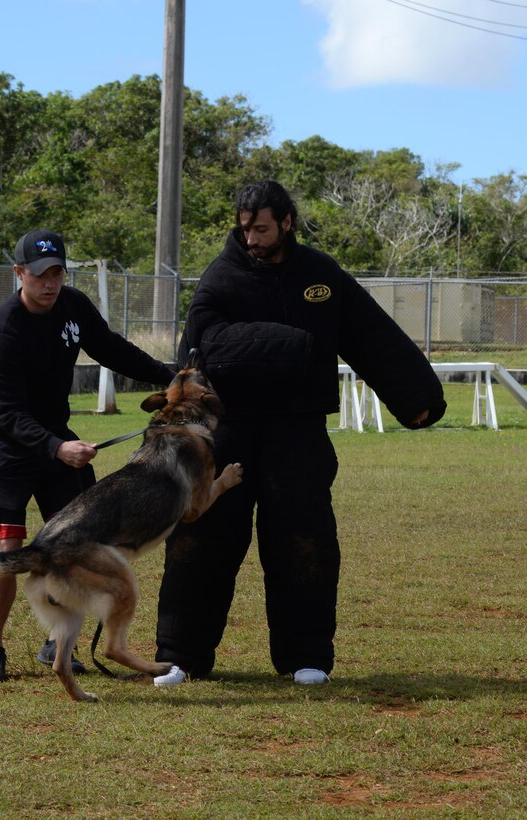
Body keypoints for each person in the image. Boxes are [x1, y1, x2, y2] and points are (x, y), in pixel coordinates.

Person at [153, 180, 446, 688]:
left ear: (287, 221)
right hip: (231, 430)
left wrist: (416, 397)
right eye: (245, 228)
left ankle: (306, 656)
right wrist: (297, 347)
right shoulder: (220, 278)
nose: (251, 238)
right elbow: (202, 346)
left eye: (262, 228)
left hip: (299, 432)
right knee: (201, 539)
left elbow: (370, 335)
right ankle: (180, 655)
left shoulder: (320, 275)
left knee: (304, 541)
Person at [0, 229, 175, 680]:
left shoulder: (73, 306)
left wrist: (167, 375)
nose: (50, 283)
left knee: (77, 541)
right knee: (7, 547)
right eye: (40, 274)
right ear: (19, 273)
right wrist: (57, 447)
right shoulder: (2, 331)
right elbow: (7, 412)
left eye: (58, 273)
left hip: (56, 438)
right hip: (6, 443)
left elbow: (110, 349)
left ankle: (56, 644)